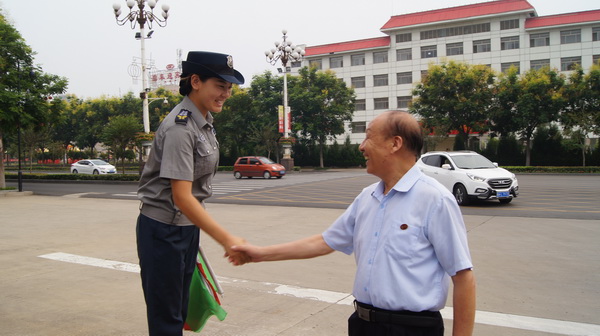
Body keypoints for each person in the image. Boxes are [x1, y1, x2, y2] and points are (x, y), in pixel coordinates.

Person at [231, 111, 476, 336]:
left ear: (395, 143)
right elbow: (324, 242)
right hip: (362, 324)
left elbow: (463, 276)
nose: (361, 146)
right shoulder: (368, 197)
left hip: (410, 329)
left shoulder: (435, 200)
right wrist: (259, 254)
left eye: (368, 137)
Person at [137, 51, 249, 336]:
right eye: (220, 86)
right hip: (163, 231)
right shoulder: (181, 127)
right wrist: (226, 239)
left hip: (185, 229)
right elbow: (182, 197)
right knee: (167, 317)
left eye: (229, 88)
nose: (226, 94)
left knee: (181, 309)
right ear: (196, 81)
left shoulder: (204, 123)